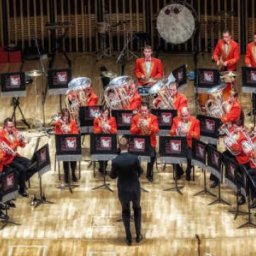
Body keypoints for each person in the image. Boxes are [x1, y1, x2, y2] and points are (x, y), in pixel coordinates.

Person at [110, 137, 143, 246]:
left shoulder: (115, 160)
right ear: (128, 145)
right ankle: (138, 236)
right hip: (134, 189)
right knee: (137, 209)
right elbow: (140, 171)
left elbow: (112, 176)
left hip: (123, 189)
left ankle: (128, 238)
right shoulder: (135, 158)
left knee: (125, 212)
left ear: (119, 147)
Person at [0, 118, 36, 197]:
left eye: (13, 126)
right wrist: (17, 140)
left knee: (32, 165)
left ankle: (20, 181)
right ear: (5, 127)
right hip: (7, 159)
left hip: (15, 156)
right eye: (10, 127)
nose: (12, 128)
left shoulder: (14, 131)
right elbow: (9, 150)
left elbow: (22, 145)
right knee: (22, 169)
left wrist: (24, 141)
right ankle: (21, 190)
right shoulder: (2, 136)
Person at [130, 103, 159, 182]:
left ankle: (149, 174)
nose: (143, 112)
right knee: (133, 156)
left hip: (150, 142)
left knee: (153, 156)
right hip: (138, 141)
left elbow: (157, 130)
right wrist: (138, 126)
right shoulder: (135, 118)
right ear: (140, 110)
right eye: (142, 111)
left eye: (145, 111)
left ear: (148, 110)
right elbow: (132, 131)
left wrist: (149, 124)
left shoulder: (153, 118)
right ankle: (138, 171)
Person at [170, 107, 200, 180]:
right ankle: (179, 171)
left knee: (190, 158)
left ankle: (188, 171)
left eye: (186, 116)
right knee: (171, 157)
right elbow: (171, 132)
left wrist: (187, 132)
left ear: (189, 114)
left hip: (189, 144)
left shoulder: (195, 121)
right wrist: (176, 130)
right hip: (178, 144)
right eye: (182, 116)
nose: (184, 118)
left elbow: (197, 136)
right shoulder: (176, 120)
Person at [213, 29, 240, 98]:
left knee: (230, 85)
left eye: (226, 37)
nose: (225, 39)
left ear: (230, 36)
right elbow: (215, 53)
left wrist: (228, 62)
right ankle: (223, 99)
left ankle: (233, 99)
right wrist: (217, 60)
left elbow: (236, 58)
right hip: (222, 67)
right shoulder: (220, 42)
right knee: (222, 85)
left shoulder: (235, 45)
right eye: (223, 37)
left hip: (231, 68)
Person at [54, 108, 79, 183]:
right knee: (65, 157)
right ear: (61, 116)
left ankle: (73, 173)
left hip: (72, 144)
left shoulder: (72, 122)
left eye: (67, 116)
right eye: (64, 116)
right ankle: (66, 175)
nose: (65, 118)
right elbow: (57, 135)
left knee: (73, 157)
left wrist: (69, 130)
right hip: (63, 144)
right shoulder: (58, 123)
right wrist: (61, 131)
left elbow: (76, 133)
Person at [93, 108, 117, 172]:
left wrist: (109, 127)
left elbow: (115, 131)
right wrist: (101, 127)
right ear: (101, 113)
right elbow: (95, 132)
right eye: (104, 113)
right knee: (99, 152)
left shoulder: (112, 119)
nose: (105, 115)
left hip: (110, 140)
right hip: (100, 140)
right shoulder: (97, 119)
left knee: (109, 152)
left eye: (106, 113)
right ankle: (102, 166)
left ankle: (104, 165)